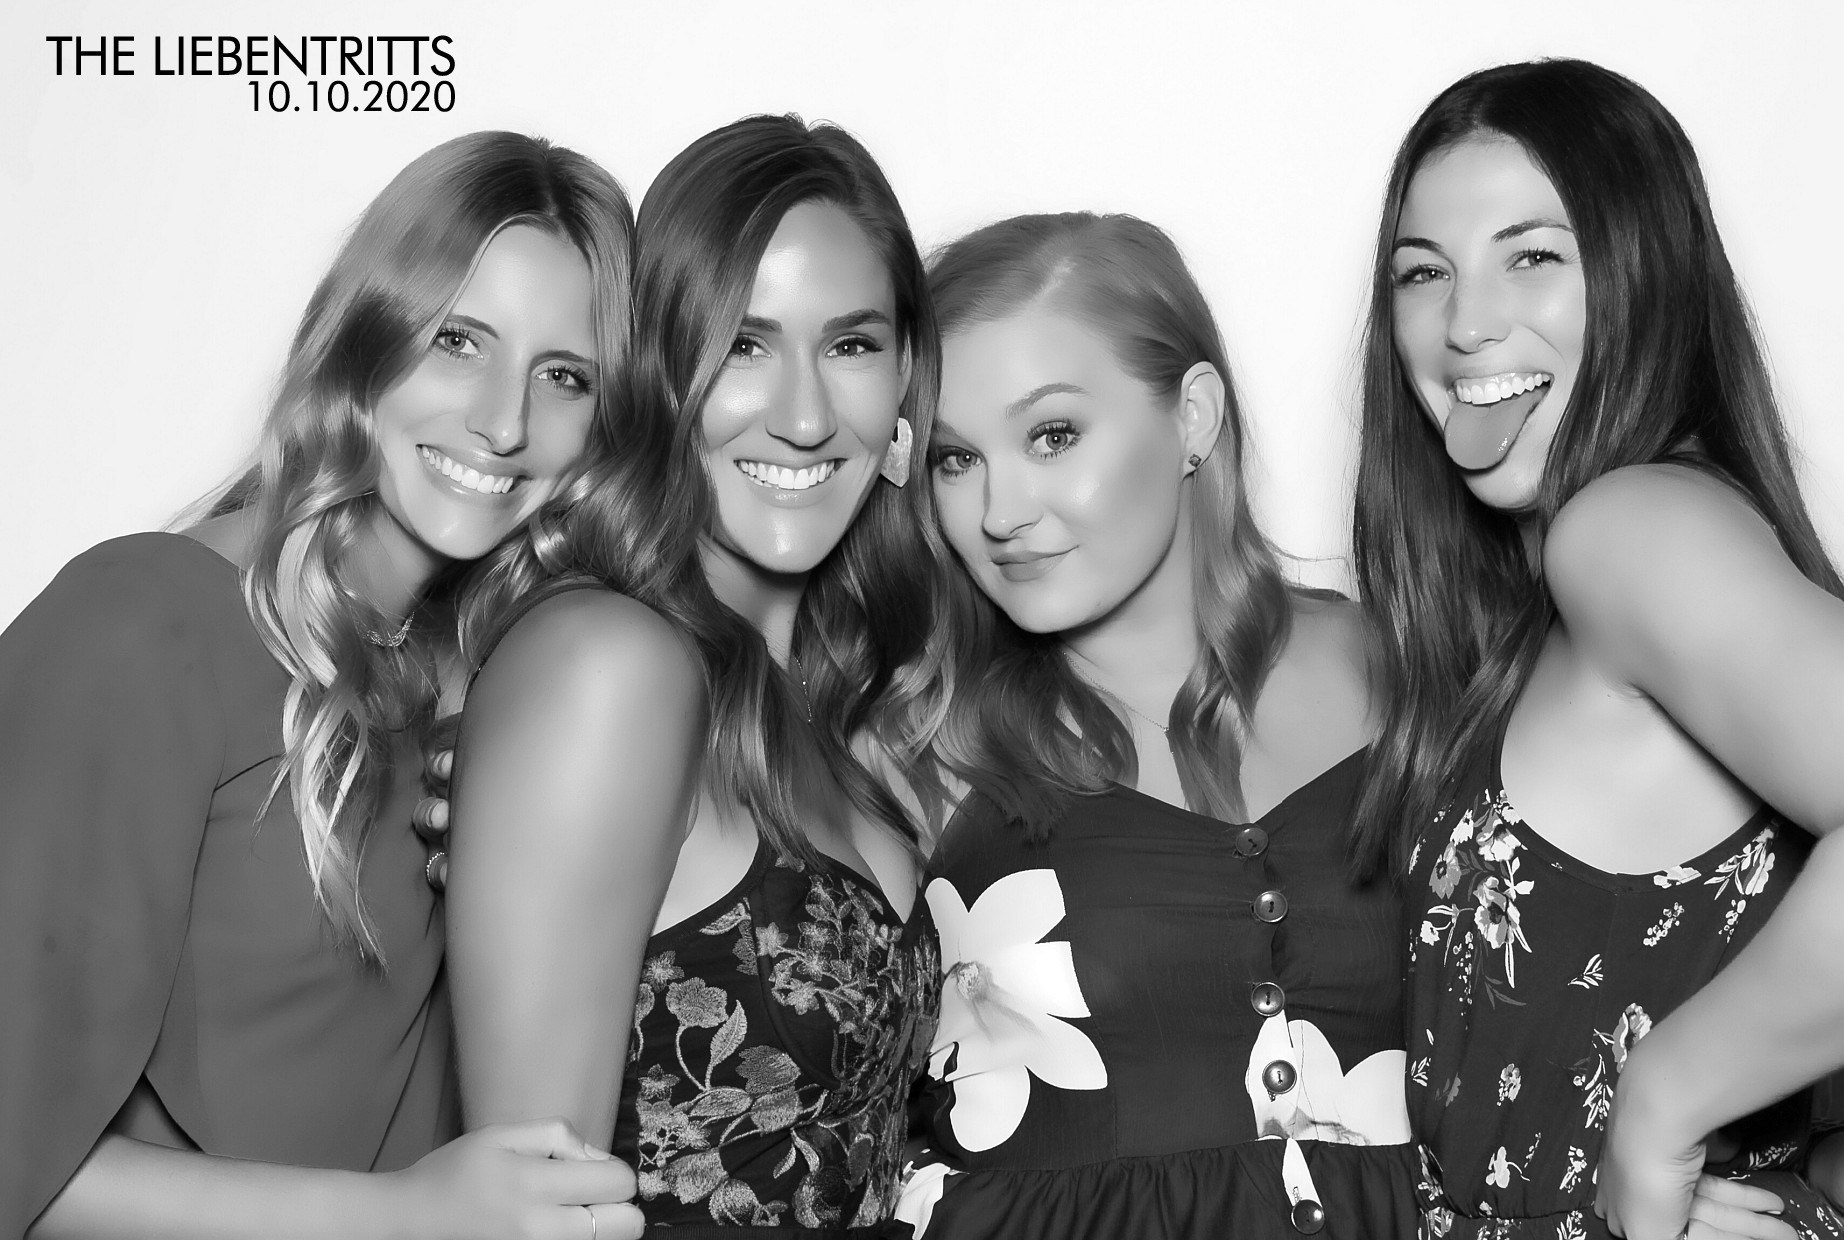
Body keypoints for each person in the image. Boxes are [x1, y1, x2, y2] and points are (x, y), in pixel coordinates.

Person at [0, 131, 645, 1240]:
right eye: (458, 341)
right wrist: (402, 1217)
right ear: (364, 336)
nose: (504, 422)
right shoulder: (143, 625)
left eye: (564, 377)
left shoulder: (480, 686)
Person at [1350, 58, 1844, 1240]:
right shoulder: (1538, 604)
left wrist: (1659, 1111)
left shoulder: (1625, 527)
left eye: (1530, 256)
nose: (1464, 323)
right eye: (1422, 272)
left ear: (1641, 274)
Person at [444, 115, 944, 1236]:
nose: (805, 416)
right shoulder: (607, 665)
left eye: (852, 346)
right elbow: (530, 1216)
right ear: (659, 370)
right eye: (744, 347)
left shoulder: (843, 714)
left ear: (905, 381)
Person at [892, 212, 1419, 1240]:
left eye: (1051, 436)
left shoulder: (1399, 673)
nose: (998, 511)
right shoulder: (920, 745)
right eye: (955, 459)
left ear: (1193, 417)